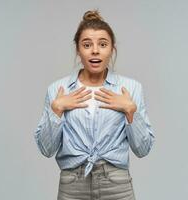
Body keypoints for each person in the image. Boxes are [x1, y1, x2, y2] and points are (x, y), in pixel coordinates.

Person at [34, 10, 155, 200]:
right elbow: (46, 149)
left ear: (112, 49)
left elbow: (143, 149)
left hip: (117, 184)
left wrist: (131, 112)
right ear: (78, 49)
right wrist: (56, 111)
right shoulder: (58, 89)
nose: (95, 50)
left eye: (103, 44)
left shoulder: (130, 88)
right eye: (87, 44)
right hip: (72, 185)